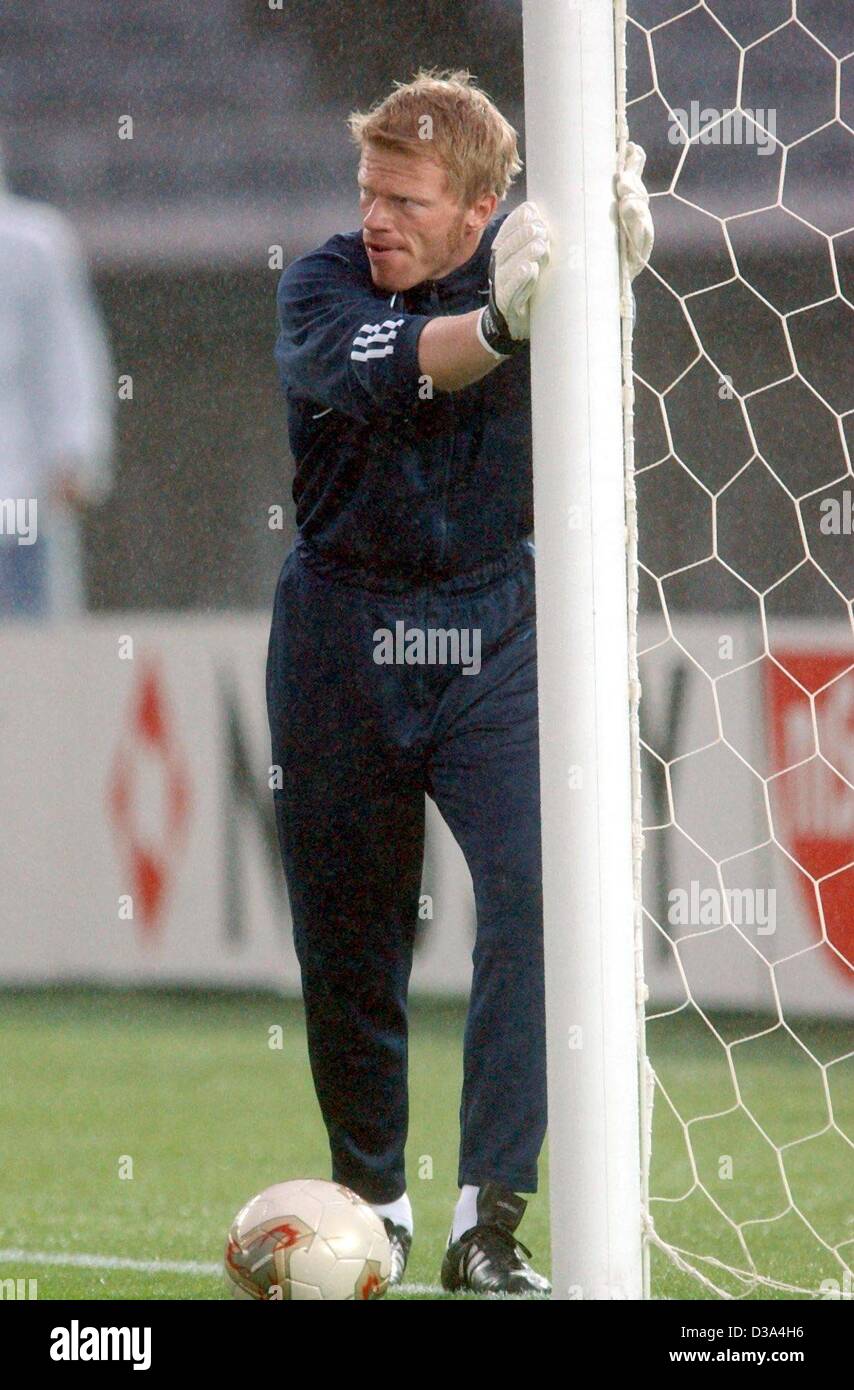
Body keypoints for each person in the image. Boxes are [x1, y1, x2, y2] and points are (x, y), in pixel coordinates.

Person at [266, 69, 652, 1295]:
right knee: (350, 939)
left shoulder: (542, 277)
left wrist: (609, 283)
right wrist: (501, 325)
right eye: (367, 188)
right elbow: (409, 365)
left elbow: (580, 380)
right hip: (343, 629)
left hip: (493, 624)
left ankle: (488, 1219)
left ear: (481, 207)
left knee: (544, 898)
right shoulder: (319, 284)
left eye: (407, 199)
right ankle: (370, 1204)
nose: (376, 215)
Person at [0, 140, 114, 620]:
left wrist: (75, 452)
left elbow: (70, 354)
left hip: (19, 490)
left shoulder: (33, 242)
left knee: (31, 638)